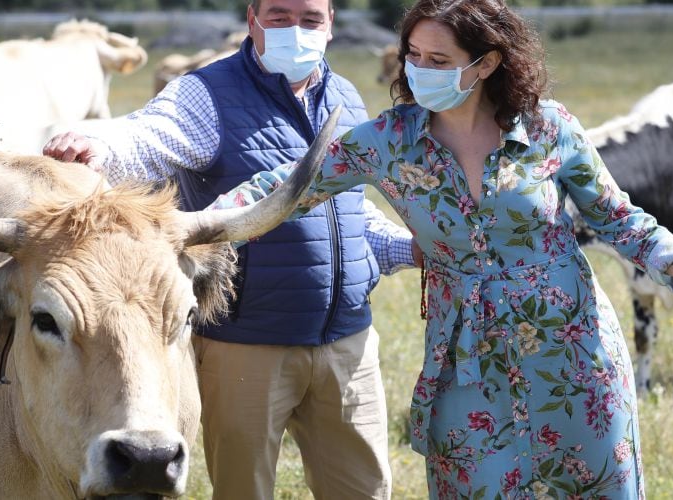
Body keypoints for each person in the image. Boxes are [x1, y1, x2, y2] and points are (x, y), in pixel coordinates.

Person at [206, 0, 673, 497]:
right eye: (413, 55)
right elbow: (289, 185)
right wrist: (199, 223)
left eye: (438, 59)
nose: (418, 69)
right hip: (463, 359)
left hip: (574, 353)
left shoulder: (548, 127)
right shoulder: (387, 141)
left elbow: (617, 218)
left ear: (485, 64)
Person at [43, 0, 412, 498]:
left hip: (347, 344)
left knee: (364, 490)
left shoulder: (344, 96)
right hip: (246, 349)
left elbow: (351, 212)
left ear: (329, 26)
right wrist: (96, 147)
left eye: (310, 20)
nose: (295, 31)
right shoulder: (208, 94)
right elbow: (149, 136)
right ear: (252, 18)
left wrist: (407, 248)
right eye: (279, 17)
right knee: (244, 490)